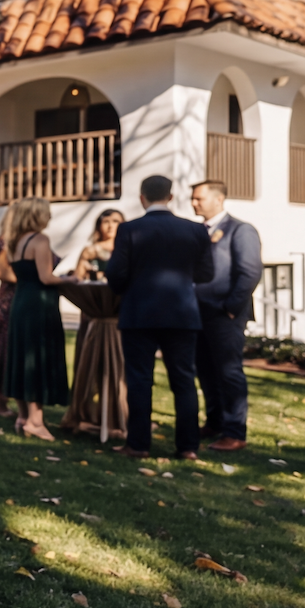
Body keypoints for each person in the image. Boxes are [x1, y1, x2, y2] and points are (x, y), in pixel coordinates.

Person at [104, 175, 214, 459]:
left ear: (142, 198)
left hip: (139, 312)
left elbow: (116, 274)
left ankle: (138, 444)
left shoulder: (129, 229)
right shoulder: (195, 230)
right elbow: (206, 274)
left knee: (140, 379)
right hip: (182, 314)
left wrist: (126, 288)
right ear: (171, 197)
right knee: (184, 380)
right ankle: (188, 446)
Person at [190, 179, 262, 452]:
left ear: (218, 199)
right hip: (197, 313)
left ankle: (235, 431)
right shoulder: (197, 231)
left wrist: (232, 307)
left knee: (229, 372)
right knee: (205, 370)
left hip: (225, 315)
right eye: (193, 198)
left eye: (199, 198)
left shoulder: (241, 230)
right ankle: (215, 422)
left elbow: (250, 271)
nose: (194, 203)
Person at [1, 197, 73, 441]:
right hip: (39, 304)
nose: (49, 217)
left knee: (21, 356)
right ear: (37, 215)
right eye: (46, 212)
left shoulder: (13, 241)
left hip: (21, 302)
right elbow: (46, 277)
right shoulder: (40, 240)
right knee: (37, 358)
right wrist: (69, 280)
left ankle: (23, 416)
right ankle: (36, 420)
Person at [0, 199, 29, 415]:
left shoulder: (26, 242)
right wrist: (33, 278)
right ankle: (0, 402)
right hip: (9, 301)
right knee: (4, 350)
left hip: (23, 299)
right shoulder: (3, 243)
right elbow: (2, 273)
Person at [73, 209, 125, 281]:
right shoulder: (90, 250)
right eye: (106, 222)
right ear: (99, 225)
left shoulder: (129, 248)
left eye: (115, 221)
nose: (110, 226)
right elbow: (78, 278)